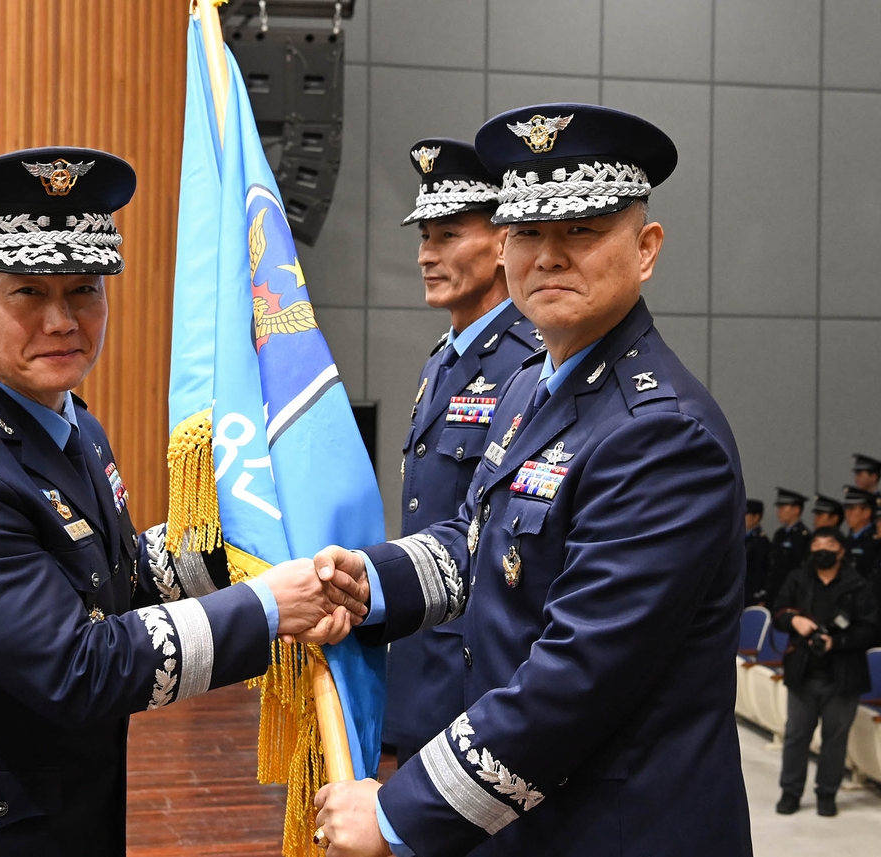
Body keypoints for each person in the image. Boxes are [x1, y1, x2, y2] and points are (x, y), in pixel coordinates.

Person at [0, 148, 367, 857]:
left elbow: (109, 578)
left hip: (50, 813)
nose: (62, 319)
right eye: (27, 291)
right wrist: (268, 606)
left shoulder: (72, 423)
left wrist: (245, 551)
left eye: (84, 287)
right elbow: (78, 666)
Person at [311, 104, 752, 856]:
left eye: (579, 230)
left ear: (646, 249)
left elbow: (577, 678)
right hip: (528, 811)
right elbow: (481, 541)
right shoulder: (529, 387)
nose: (548, 255)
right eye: (527, 231)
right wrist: (372, 582)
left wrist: (397, 811)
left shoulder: (661, 433)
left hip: (620, 828)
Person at [385, 137, 541, 768]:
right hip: (421, 654)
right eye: (424, 236)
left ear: (503, 243)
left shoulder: (525, 361)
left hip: (476, 671)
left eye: (448, 235)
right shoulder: (444, 359)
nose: (426, 255)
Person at [772, 527, 879, 817]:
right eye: (817, 544)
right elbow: (778, 610)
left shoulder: (858, 585)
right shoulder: (798, 579)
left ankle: (826, 794)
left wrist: (837, 641)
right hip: (803, 672)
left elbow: (871, 629)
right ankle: (790, 792)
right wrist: (794, 621)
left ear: (841, 550)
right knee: (796, 735)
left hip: (843, 676)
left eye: (830, 544)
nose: (822, 549)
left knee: (835, 739)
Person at [767, 487, 811, 608]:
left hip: (792, 593)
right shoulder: (779, 534)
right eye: (778, 508)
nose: (778, 512)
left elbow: (800, 567)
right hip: (775, 591)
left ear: (796, 509)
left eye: (782, 508)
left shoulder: (803, 536)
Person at [842, 485, 878, 578]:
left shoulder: (875, 541)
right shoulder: (846, 540)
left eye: (852, 509)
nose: (847, 514)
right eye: (846, 509)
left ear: (866, 513)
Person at [745, 498, 771, 607]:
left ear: (756, 517)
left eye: (745, 514)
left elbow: (761, 571)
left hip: (752, 594)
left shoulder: (761, 541)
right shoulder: (738, 538)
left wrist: (760, 596)